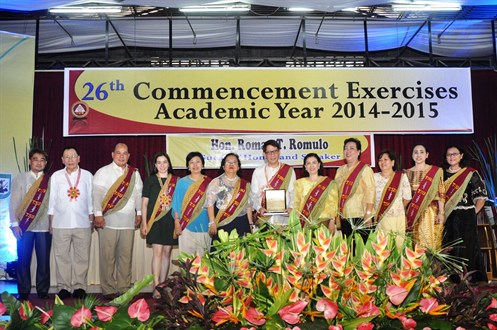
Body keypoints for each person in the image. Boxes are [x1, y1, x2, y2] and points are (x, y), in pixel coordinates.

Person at [93, 143, 143, 300]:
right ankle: (108, 289)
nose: (122, 156)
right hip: (108, 221)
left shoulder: (134, 173)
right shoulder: (103, 172)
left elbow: (138, 195)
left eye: (125, 153)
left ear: (128, 156)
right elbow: (96, 195)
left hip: (128, 222)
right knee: (107, 257)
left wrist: (139, 212)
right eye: (118, 153)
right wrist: (98, 214)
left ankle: (123, 287)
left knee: (125, 257)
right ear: (112, 155)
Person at [48, 147, 93, 299]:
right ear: (62, 160)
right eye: (66, 157)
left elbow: (91, 197)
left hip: (83, 222)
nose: (70, 159)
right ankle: (64, 287)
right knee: (62, 257)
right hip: (60, 223)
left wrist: (92, 216)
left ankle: (80, 286)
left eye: (73, 156)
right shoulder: (56, 176)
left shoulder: (87, 175)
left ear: (78, 158)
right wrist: (51, 221)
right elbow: (52, 199)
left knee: (82, 257)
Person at [9, 149, 51, 300]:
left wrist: (52, 223)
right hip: (24, 226)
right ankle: (24, 290)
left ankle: (43, 290)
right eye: (35, 159)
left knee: (44, 260)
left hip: (44, 226)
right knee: (23, 259)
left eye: (42, 160)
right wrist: (14, 224)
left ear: (45, 163)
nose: (39, 162)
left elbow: (52, 205)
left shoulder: (49, 181)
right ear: (29, 161)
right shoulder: (20, 179)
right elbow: (13, 202)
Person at [442, 144, 488, 283]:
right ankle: (452, 283)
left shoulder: (470, 174)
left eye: (455, 154)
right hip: (448, 216)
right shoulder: (441, 174)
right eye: (449, 154)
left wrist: (474, 211)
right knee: (450, 247)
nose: (452, 157)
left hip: (466, 215)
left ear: (461, 156)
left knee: (468, 247)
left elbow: (481, 197)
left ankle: (471, 281)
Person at [140, 152, 178, 299]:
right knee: (157, 253)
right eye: (159, 162)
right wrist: (144, 223)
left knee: (167, 253)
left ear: (169, 164)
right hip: (154, 221)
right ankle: (156, 286)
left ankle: (163, 285)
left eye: (165, 162)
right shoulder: (150, 180)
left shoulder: (176, 181)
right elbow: (144, 203)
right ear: (155, 165)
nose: (162, 165)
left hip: (170, 221)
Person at [404, 144, 445, 251]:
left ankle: (429, 267)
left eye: (421, 152)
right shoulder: (406, 173)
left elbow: (441, 192)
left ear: (427, 155)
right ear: (412, 155)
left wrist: (441, 212)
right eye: (415, 152)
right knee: (413, 243)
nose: (418, 155)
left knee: (428, 242)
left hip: (430, 212)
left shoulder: (435, 171)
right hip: (412, 212)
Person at [334, 137, 375, 241]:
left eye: (351, 148)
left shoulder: (365, 169)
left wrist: (368, 214)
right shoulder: (340, 170)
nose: (348, 151)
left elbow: (370, 191)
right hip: (345, 216)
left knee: (362, 250)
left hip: (361, 215)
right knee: (348, 250)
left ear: (358, 152)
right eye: (346, 148)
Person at [206, 153, 253, 244]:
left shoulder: (245, 184)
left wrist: (250, 223)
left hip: (241, 222)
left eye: (234, 162)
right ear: (223, 166)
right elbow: (209, 204)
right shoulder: (216, 182)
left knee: (241, 254)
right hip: (222, 221)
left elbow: (249, 206)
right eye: (228, 162)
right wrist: (212, 222)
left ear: (238, 167)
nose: (231, 165)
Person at [173, 152, 212, 257]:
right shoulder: (182, 182)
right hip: (186, 227)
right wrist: (177, 222)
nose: (195, 165)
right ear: (188, 166)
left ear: (203, 165)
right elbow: (177, 203)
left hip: (205, 227)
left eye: (198, 162)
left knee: (204, 263)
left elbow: (212, 205)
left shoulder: (209, 182)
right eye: (192, 163)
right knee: (187, 262)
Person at [251, 139, 296, 227]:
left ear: (279, 152)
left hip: (284, 219)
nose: (272, 155)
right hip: (264, 220)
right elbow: (253, 195)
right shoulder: (258, 171)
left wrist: (291, 207)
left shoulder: (288, 171)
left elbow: (293, 192)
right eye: (269, 152)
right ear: (264, 155)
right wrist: (259, 208)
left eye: (275, 151)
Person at [373, 150, 412, 250]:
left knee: (398, 247)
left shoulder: (401, 177)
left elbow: (407, 197)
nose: (383, 162)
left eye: (386, 159)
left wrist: (399, 208)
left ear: (393, 162)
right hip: (381, 216)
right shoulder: (374, 177)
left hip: (397, 217)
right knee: (382, 247)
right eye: (380, 160)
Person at [293, 153, 338, 232]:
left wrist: (332, 222)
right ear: (305, 167)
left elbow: (333, 205)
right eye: (308, 163)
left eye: (314, 162)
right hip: (305, 223)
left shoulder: (329, 182)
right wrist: (296, 224)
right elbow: (296, 205)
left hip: (325, 223)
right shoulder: (299, 183)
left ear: (319, 165)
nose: (311, 166)